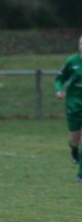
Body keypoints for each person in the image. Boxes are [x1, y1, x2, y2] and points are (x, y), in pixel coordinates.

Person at [55, 34, 82, 176]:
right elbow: (59, 79)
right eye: (81, 44)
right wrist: (59, 90)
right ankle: (73, 149)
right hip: (74, 105)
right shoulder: (72, 61)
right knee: (75, 140)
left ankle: (80, 174)